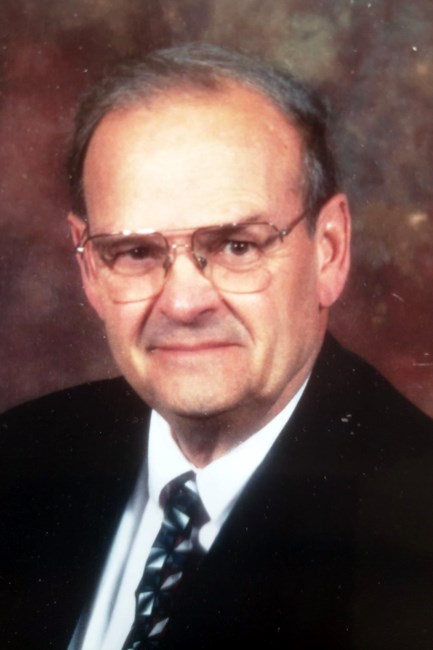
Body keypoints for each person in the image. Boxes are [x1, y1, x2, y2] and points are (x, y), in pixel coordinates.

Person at [1, 43, 433, 650]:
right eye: (135, 252)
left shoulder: (414, 525)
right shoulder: (19, 456)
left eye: (237, 246)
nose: (184, 303)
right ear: (89, 268)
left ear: (329, 251)